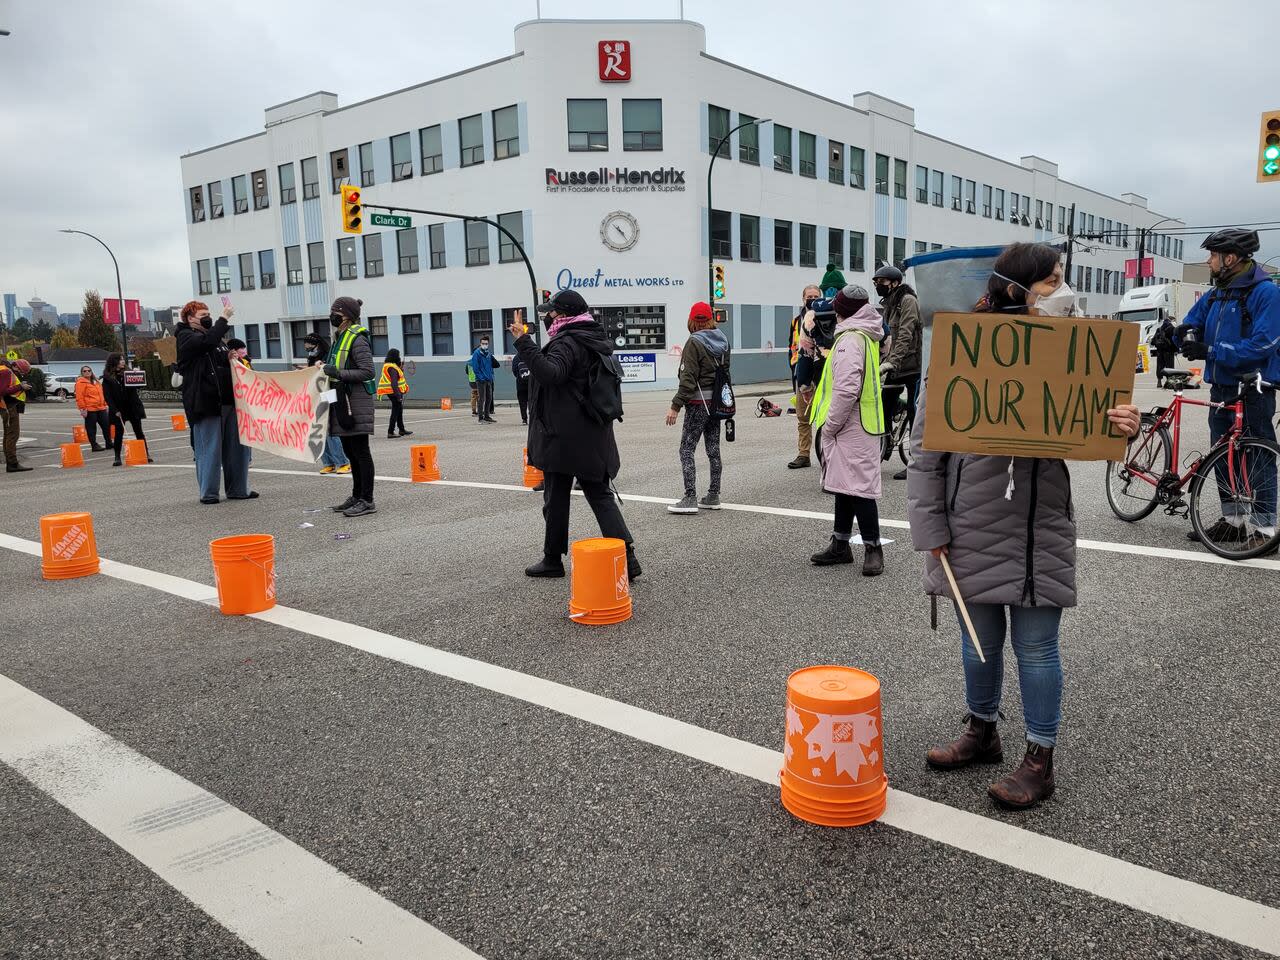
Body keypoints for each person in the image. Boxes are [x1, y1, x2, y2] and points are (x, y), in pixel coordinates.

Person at [908, 242, 1141, 811]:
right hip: (971, 523)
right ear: (1016, 286)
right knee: (978, 642)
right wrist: (930, 527)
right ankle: (981, 729)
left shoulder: (1080, 349)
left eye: (1061, 277)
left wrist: (1123, 425)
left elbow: (1095, 429)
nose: (1061, 289)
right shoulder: (962, 350)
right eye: (1050, 279)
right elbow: (924, 450)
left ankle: (1041, 756)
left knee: (1037, 649)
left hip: (1041, 526)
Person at [509, 290, 640, 580]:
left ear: (563, 315)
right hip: (592, 432)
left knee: (556, 498)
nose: (547, 317)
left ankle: (552, 560)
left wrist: (522, 341)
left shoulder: (567, 342)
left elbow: (551, 373)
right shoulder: (593, 339)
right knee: (599, 493)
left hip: (563, 435)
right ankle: (627, 558)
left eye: (551, 312)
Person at [1176, 228, 1280, 551]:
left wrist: (1211, 350)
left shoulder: (1266, 294)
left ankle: (1265, 527)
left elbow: (1262, 344)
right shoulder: (1218, 293)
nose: (1208, 261)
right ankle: (1233, 521)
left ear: (1230, 259)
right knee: (1223, 455)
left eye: (1213, 256)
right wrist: (1180, 334)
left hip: (1255, 387)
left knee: (1258, 456)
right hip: (1221, 387)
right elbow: (1192, 323)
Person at [808, 285, 885, 576]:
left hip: (850, 425)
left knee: (860, 489)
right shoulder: (865, 334)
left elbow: (846, 388)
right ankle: (841, 544)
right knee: (845, 485)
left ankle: (872, 547)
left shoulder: (849, 339)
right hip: (861, 422)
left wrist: (830, 427)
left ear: (843, 311)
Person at [176, 301, 254, 503]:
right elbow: (204, 345)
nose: (207, 316)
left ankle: (238, 488)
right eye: (203, 314)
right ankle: (209, 492)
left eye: (209, 313)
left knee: (237, 448)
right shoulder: (186, 336)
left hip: (229, 401)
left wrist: (230, 358)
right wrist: (223, 318)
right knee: (210, 448)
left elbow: (216, 357)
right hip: (207, 402)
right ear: (190, 318)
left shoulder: (216, 340)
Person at [666, 301, 729, 514]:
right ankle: (713, 494)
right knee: (713, 449)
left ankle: (690, 497)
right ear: (710, 319)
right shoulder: (723, 340)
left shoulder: (694, 343)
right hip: (717, 403)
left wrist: (675, 405)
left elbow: (688, 378)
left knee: (686, 449)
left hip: (697, 403)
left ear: (692, 320)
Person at [323, 296, 377, 517]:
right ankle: (356, 495)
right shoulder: (339, 337)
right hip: (340, 401)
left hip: (355, 403)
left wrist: (339, 374)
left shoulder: (357, 338)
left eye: (336, 312)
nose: (332, 316)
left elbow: (368, 371)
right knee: (349, 451)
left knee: (360, 451)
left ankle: (367, 499)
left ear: (346, 315)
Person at [873, 265, 923, 481]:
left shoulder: (908, 301)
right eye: (875, 282)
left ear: (894, 282)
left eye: (881, 282)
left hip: (913, 364)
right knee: (883, 404)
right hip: (896, 363)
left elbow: (905, 334)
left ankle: (915, 462)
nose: (877, 286)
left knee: (915, 412)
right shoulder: (889, 304)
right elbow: (886, 335)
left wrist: (892, 362)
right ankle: (883, 446)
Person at [303, 332, 351, 476]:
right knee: (319, 429)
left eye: (308, 344)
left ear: (316, 344)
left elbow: (331, 371)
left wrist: (320, 367)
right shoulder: (312, 357)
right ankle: (328, 462)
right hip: (317, 395)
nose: (306, 347)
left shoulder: (327, 355)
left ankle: (343, 462)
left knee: (330, 428)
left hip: (328, 394)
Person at [787, 283, 824, 469]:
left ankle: (827, 452)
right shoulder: (796, 321)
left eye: (815, 296)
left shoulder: (825, 316)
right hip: (801, 372)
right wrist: (794, 371)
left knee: (826, 416)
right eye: (809, 296)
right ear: (803, 299)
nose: (812, 299)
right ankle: (803, 454)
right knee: (803, 416)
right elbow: (791, 348)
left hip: (821, 371)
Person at [101, 353, 152, 466]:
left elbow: (139, 386)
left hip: (132, 406)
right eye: (120, 360)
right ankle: (117, 457)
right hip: (119, 408)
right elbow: (107, 396)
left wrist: (137, 375)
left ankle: (146, 453)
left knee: (139, 431)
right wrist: (115, 410)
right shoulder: (107, 378)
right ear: (114, 362)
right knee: (119, 433)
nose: (123, 361)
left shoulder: (128, 373)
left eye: (123, 359)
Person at [0, 357, 32, 473]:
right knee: (13, 435)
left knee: (9, 435)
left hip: (7, 406)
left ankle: (11, 463)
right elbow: (2, 391)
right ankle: (12, 464)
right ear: (15, 367)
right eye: (21, 372)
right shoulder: (6, 372)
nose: (21, 375)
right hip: (9, 407)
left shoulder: (5, 370)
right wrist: (20, 387)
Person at [74, 364, 110, 452]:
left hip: (101, 408)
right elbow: (79, 397)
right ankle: (94, 445)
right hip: (90, 409)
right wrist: (82, 408)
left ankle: (109, 443)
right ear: (82, 373)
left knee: (106, 425)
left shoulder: (96, 382)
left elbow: (102, 394)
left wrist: (105, 404)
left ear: (91, 372)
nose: (87, 372)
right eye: (84, 371)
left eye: (89, 370)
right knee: (91, 428)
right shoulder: (80, 383)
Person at [379, 348, 412, 439]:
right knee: (395, 410)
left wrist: (401, 368)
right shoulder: (392, 368)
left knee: (399, 410)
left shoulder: (390, 366)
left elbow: (397, 377)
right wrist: (398, 395)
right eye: (398, 355)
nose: (399, 357)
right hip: (393, 392)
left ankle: (401, 429)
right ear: (395, 356)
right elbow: (394, 382)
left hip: (392, 391)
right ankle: (391, 431)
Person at [469, 335, 501, 422]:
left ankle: (487, 416)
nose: (484, 345)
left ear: (488, 344)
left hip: (488, 379)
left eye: (486, 343)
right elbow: (476, 368)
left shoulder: (488, 354)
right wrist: (481, 378)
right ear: (480, 343)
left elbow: (491, 366)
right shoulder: (476, 353)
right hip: (481, 380)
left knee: (489, 398)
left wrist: (490, 377)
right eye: (483, 343)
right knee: (481, 398)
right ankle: (480, 418)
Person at [1150, 316, 1177, 387]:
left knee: (1159, 366)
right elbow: (1174, 340)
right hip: (1169, 351)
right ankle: (1169, 382)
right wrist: (1176, 350)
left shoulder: (1159, 329)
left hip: (1160, 352)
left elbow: (1153, 341)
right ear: (1171, 321)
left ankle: (1159, 382)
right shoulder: (1172, 329)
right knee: (1170, 367)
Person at [511, 351, 532, 425]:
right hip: (530, 384)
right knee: (531, 402)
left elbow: (514, 370)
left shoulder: (516, 357)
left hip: (520, 384)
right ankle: (532, 417)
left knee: (522, 402)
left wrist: (519, 378)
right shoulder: (530, 355)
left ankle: (524, 419)